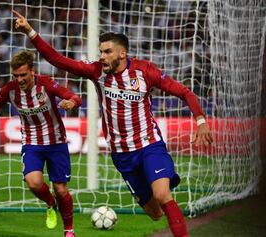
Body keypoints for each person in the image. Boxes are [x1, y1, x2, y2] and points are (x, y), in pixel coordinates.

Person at [13, 10, 213, 237]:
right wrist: (30, 31)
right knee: (155, 213)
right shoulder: (97, 72)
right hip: (122, 155)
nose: (102, 56)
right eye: (101, 52)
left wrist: (200, 120)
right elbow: (57, 60)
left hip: (149, 146)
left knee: (162, 194)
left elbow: (184, 92)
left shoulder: (145, 71)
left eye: (107, 52)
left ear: (122, 53)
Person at [0, 50, 81, 237]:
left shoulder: (45, 83)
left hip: (56, 142)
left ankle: (69, 230)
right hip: (31, 143)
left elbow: (73, 96)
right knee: (34, 183)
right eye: (16, 76)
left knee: (61, 189)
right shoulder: (10, 89)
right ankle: (50, 203)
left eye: (23, 75)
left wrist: (72, 103)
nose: (19, 79)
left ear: (32, 71)